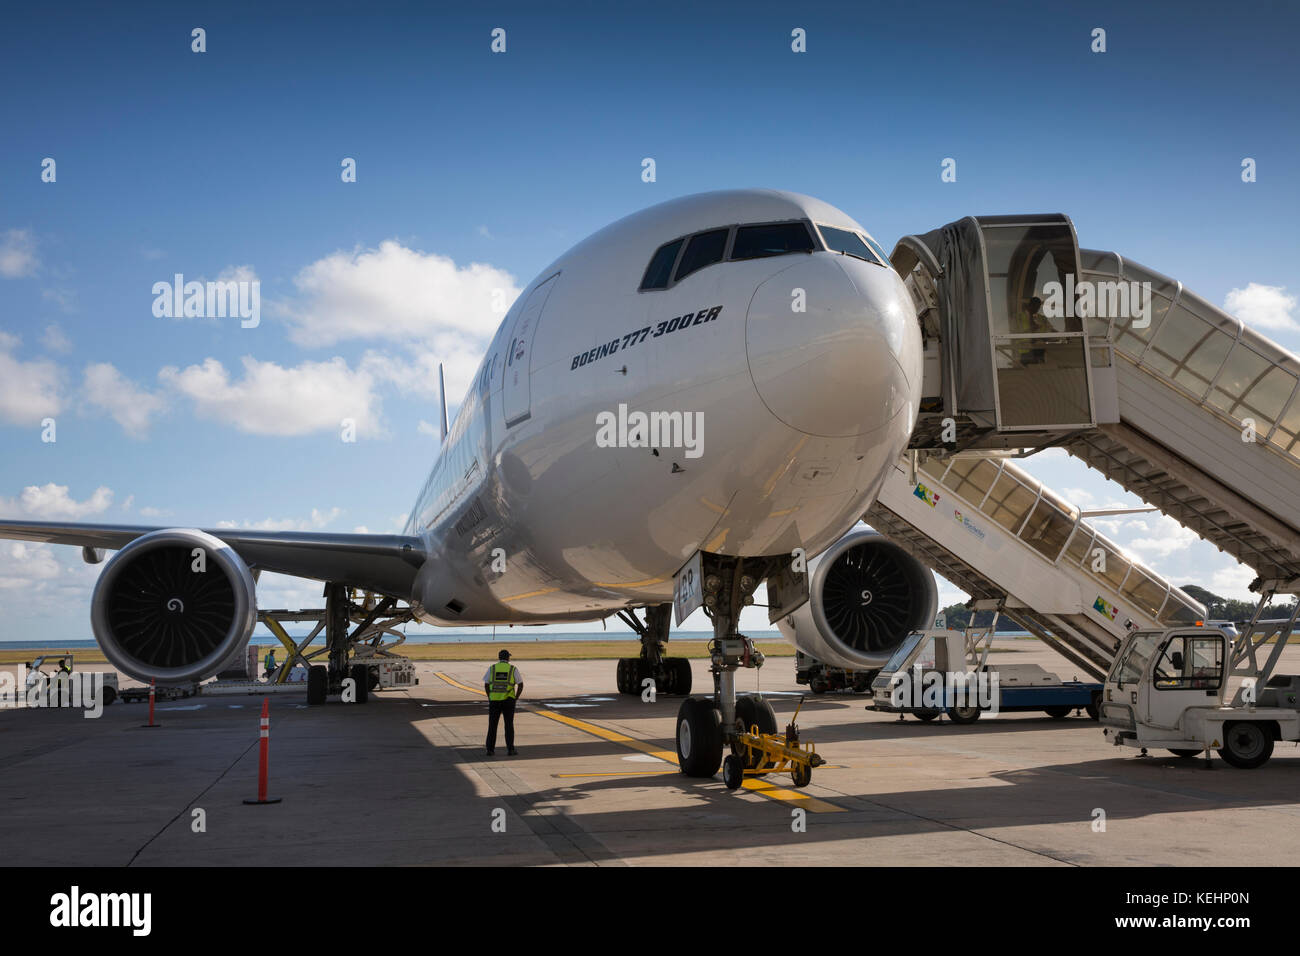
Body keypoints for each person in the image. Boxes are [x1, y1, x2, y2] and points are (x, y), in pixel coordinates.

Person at [483, 649, 523, 756]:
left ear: (499, 658)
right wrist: (515, 698)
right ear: (508, 658)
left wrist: (490, 696)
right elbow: (520, 684)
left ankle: (490, 750)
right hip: (509, 701)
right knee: (509, 725)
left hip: (494, 701)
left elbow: (486, 684)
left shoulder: (492, 668)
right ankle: (510, 749)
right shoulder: (512, 669)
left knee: (492, 725)